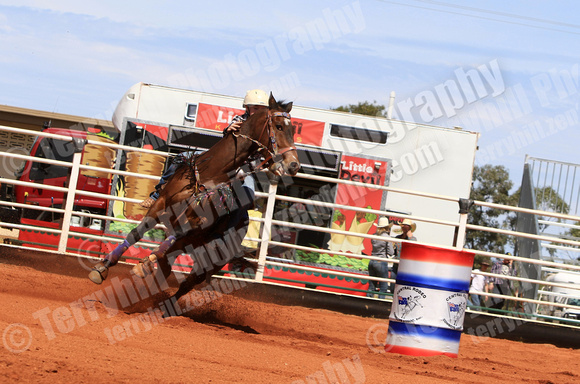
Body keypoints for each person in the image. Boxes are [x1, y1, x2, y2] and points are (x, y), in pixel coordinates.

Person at [139, 89, 269, 208]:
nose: (258, 112)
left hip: (243, 167)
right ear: (247, 108)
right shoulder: (240, 120)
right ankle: (156, 195)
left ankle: (226, 226)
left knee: (247, 199)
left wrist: (253, 166)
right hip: (220, 159)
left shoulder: (265, 130)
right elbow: (227, 137)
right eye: (256, 108)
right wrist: (228, 130)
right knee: (181, 157)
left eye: (262, 109)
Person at [367, 217, 395, 299]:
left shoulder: (374, 236)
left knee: (372, 285)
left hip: (372, 260)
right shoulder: (387, 237)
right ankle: (380, 302)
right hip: (381, 261)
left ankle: (368, 300)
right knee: (383, 286)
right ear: (387, 227)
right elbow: (391, 253)